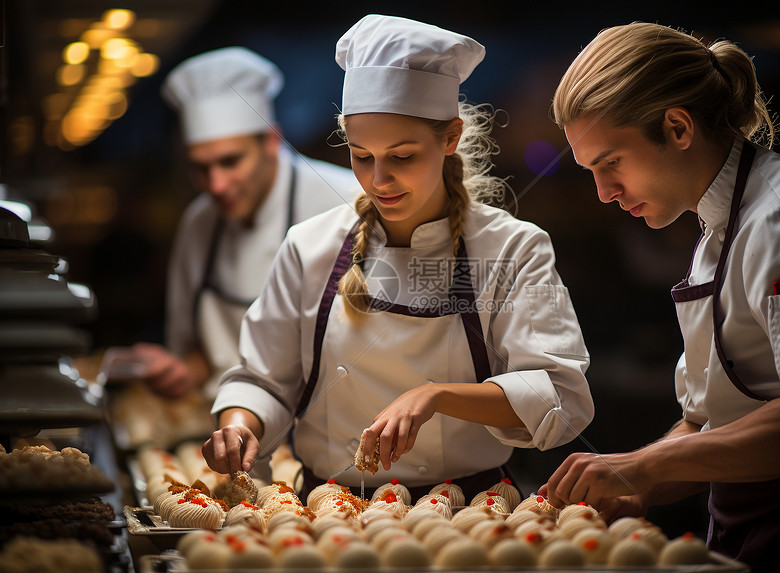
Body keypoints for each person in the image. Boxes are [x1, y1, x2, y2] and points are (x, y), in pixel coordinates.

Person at [202, 14, 594, 501]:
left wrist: (438, 396)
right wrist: (240, 424)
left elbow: (559, 396)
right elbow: (264, 378)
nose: (378, 180)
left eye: (402, 156)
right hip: (327, 510)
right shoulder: (310, 247)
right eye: (361, 156)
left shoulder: (513, 248)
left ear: (450, 138)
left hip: (467, 513)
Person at [540, 22, 780, 571]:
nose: (603, 193)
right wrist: (637, 488)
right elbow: (708, 421)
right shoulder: (718, 230)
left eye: (611, 161)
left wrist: (643, 465)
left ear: (678, 127)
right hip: (747, 528)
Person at [126, 47, 359, 399]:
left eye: (230, 161)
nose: (216, 185)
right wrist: (181, 372)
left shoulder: (346, 203)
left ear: (271, 139)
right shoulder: (199, 222)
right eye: (200, 168)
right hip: (231, 427)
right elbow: (201, 355)